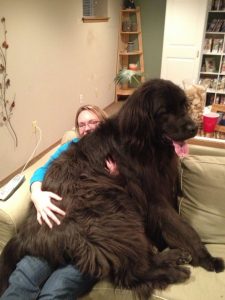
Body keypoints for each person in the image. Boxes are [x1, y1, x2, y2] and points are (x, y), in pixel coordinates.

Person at [1, 105, 111, 300]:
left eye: (94, 122)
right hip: (57, 230)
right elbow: (41, 171)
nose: (87, 128)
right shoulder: (71, 146)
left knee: (53, 293)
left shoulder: (116, 149)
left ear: (105, 123)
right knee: (23, 279)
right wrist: (37, 194)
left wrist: (115, 176)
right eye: (82, 124)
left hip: (90, 239)